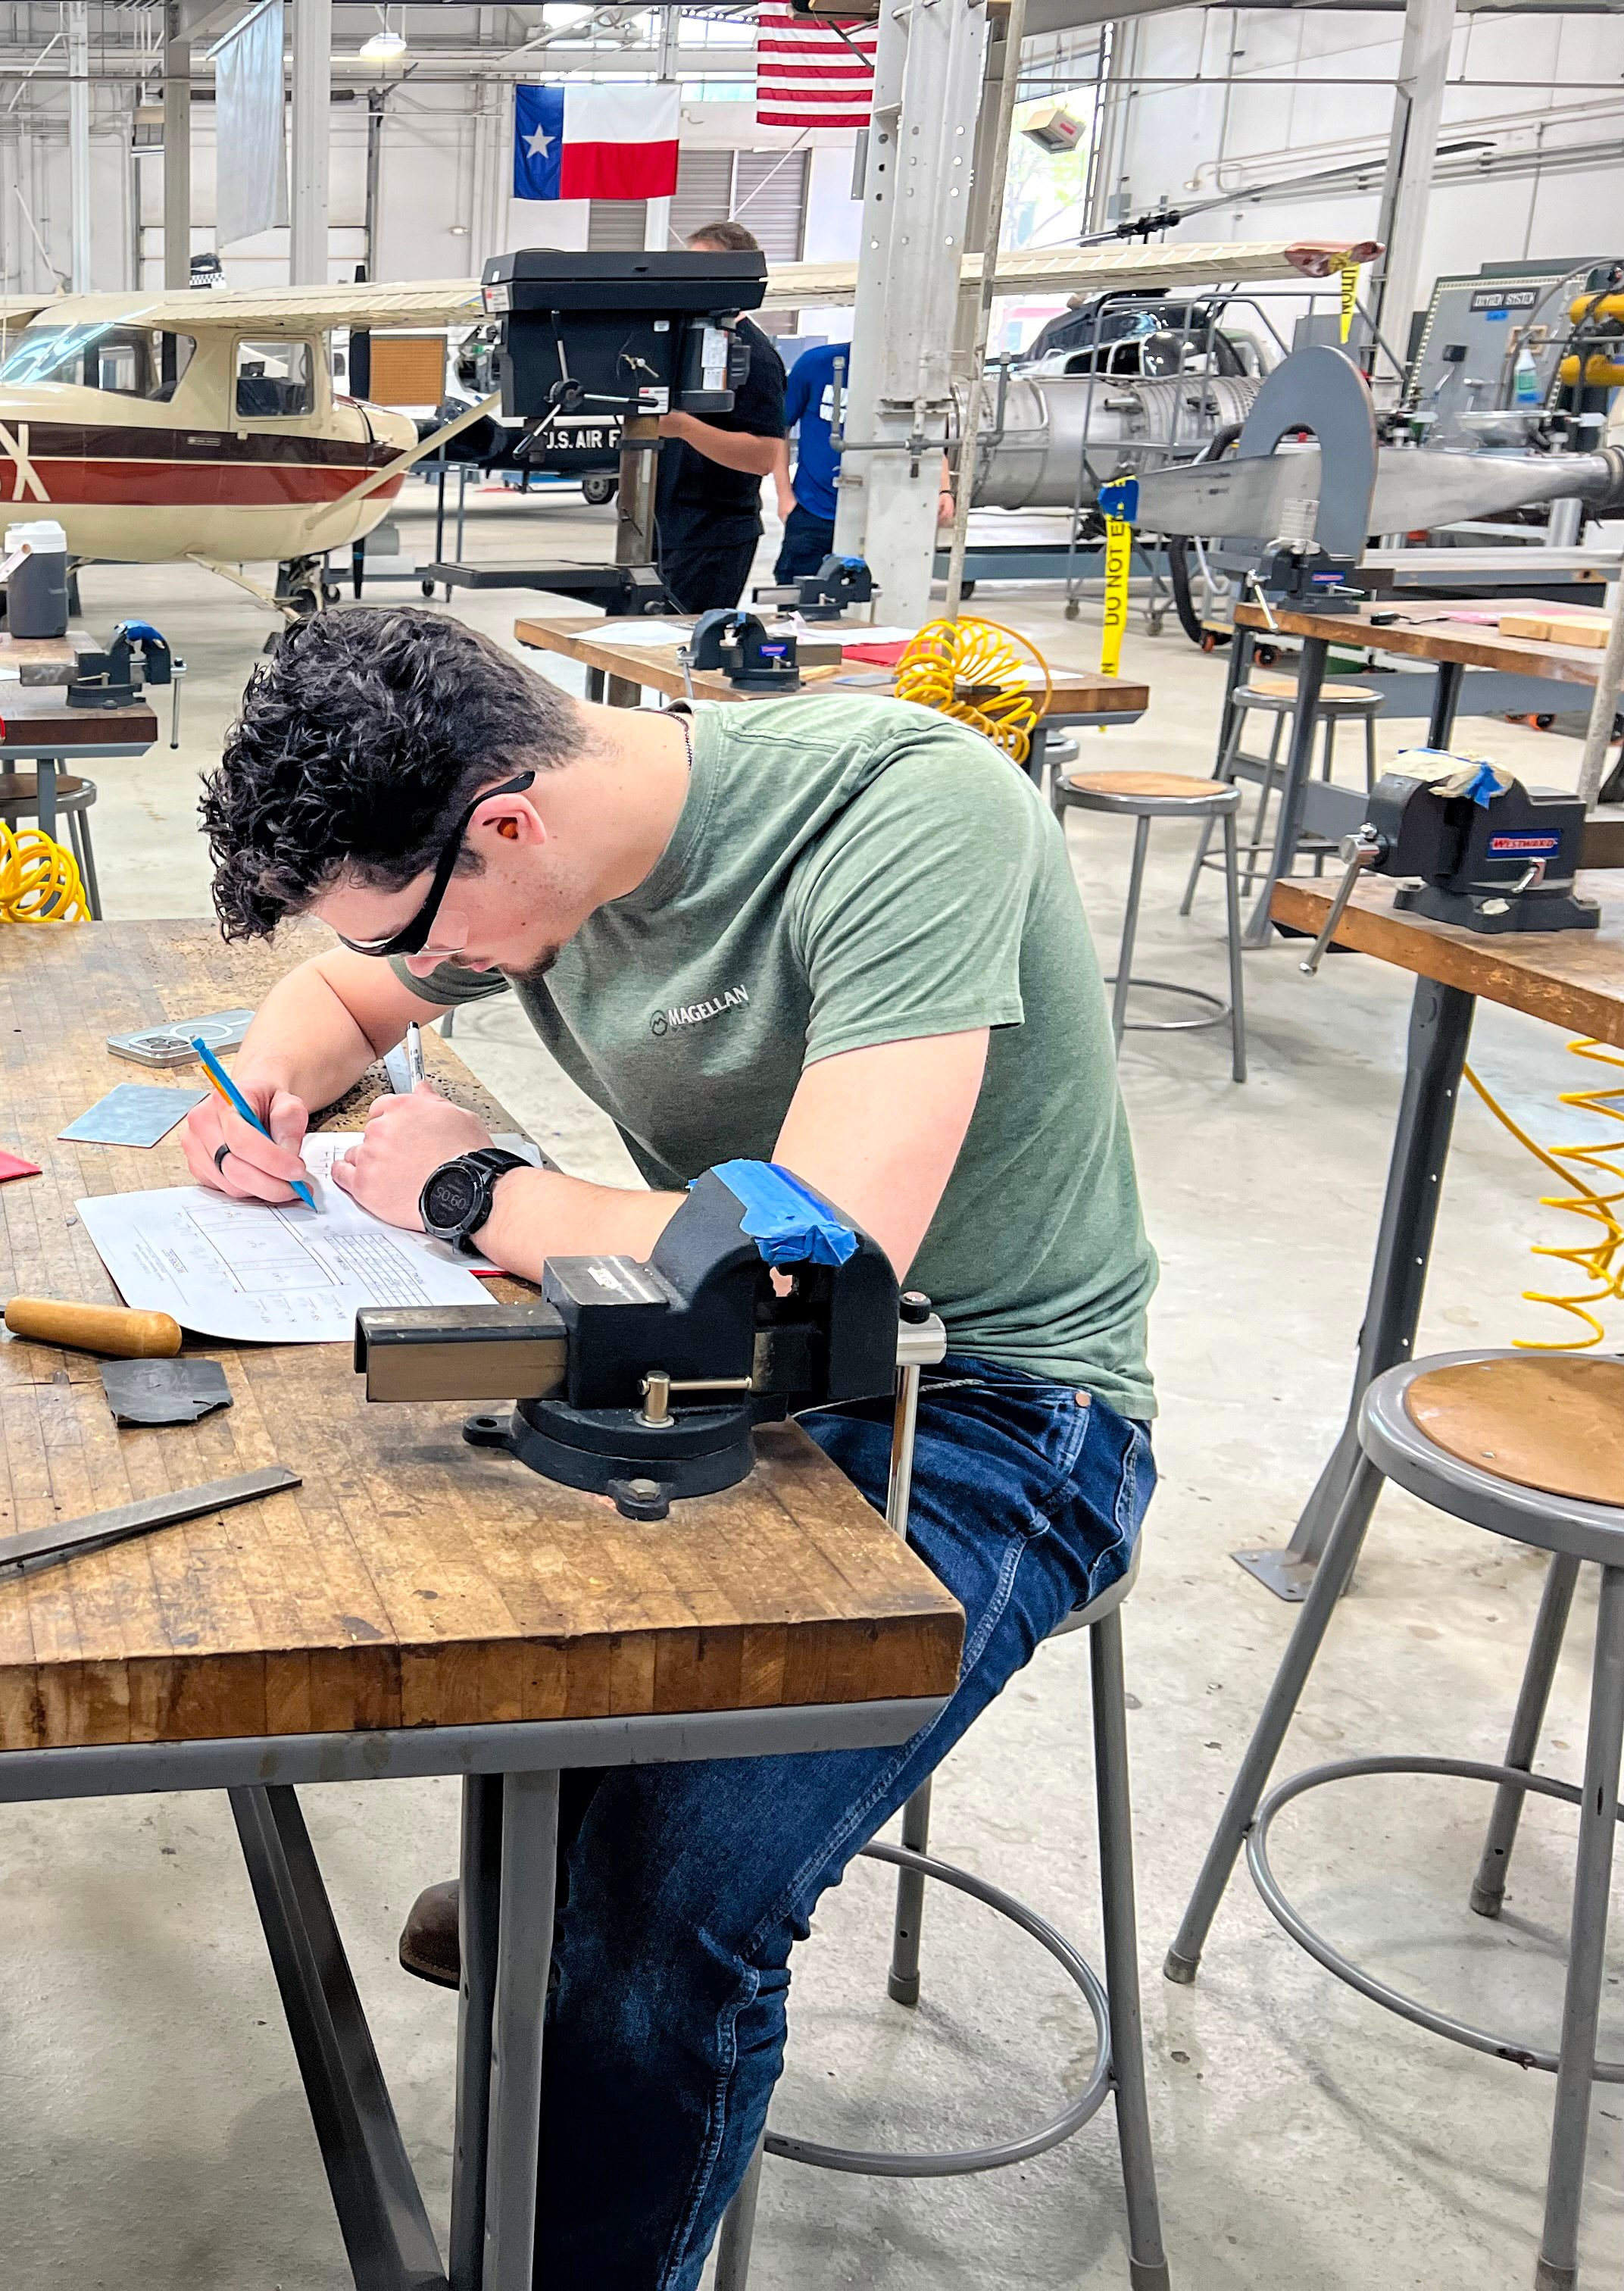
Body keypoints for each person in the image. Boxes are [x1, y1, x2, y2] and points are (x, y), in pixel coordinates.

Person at [186, 608, 1157, 2287]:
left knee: (654, 1931)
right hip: (739, 1373)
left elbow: (818, 1253)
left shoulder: (902, 810)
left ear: (505, 823)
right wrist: (266, 1085)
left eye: (434, 930)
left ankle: (587, 1978)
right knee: (381, 1584)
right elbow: (342, 980)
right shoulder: (515, 873)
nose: (440, 974)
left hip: (987, 1397)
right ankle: (541, 1895)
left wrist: (475, 1187)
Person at [652, 219, 791, 615]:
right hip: (664, 528)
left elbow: (765, 456)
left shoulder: (756, 356)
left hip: (711, 535)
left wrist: (683, 427)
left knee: (686, 659)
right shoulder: (684, 343)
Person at [773, 333, 851, 586]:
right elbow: (778, 429)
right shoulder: (817, 364)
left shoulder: (903, 377)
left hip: (878, 515)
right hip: (813, 510)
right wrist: (785, 496)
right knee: (796, 600)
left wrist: (943, 489)